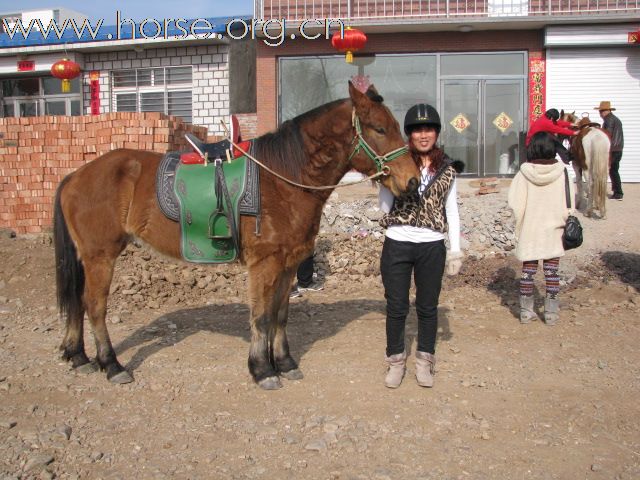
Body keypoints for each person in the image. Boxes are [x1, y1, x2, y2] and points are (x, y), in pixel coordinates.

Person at [378, 103, 464, 389]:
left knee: (428, 307)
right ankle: (395, 361)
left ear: (436, 133)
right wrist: (384, 182)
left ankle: (425, 361)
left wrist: (455, 249)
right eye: (417, 130)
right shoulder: (399, 163)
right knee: (397, 306)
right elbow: (384, 207)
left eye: (428, 129)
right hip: (398, 243)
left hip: (431, 246)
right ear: (409, 135)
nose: (423, 135)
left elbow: (451, 211)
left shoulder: (448, 169)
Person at [508, 131, 574, 326]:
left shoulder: (524, 173)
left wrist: (521, 224)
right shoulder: (562, 172)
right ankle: (551, 314)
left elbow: (515, 203)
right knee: (552, 273)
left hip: (531, 229)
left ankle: (526, 312)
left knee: (528, 272)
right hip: (554, 228)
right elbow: (570, 201)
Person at [596, 101, 624, 200]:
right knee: (614, 171)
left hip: (612, 150)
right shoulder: (614, 119)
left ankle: (618, 193)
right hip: (617, 148)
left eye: (601, 111)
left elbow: (606, 134)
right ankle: (617, 192)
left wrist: (596, 131)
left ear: (606, 111)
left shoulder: (609, 120)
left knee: (612, 171)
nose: (600, 114)